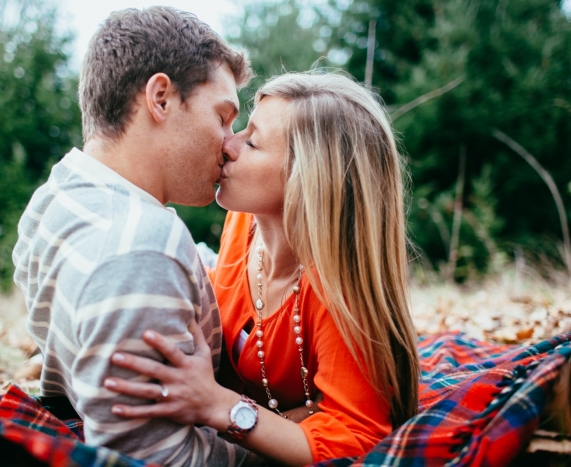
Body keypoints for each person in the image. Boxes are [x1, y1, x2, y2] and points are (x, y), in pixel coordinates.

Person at [103, 71, 422, 465]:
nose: (227, 144)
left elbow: (354, 438)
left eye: (251, 141)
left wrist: (221, 407)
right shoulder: (243, 223)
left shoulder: (336, 295)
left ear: (309, 180)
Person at [11, 7, 255, 466]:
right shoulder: (145, 244)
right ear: (160, 98)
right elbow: (155, 457)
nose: (230, 142)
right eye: (223, 117)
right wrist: (285, 436)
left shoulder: (56, 196)